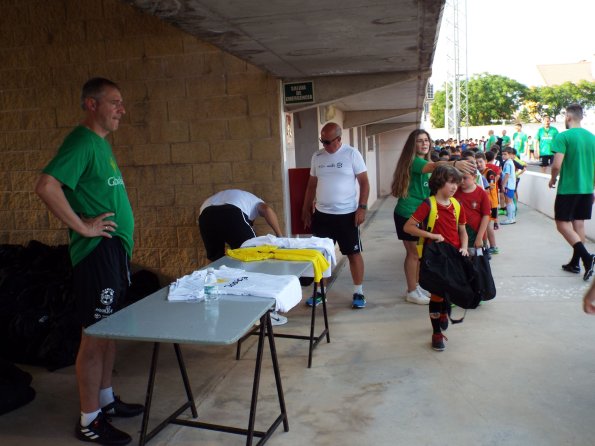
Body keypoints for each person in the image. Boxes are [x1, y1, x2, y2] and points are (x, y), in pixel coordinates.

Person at [35, 78, 142, 445]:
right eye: (114, 102)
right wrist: (83, 226)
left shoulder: (100, 145)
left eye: (122, 102)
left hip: (112, 253)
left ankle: (106, 400)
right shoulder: (81, 141)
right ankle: (89, 420)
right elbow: (47, 186)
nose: (121, 109)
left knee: (108, 331)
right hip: (96, 255)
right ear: (91, 104)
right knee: (94, 337)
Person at [390, 129, 474, 305]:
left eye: (426, 140)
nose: (424, 143)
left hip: (421, 213)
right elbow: (433, 167)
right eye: (420, 141)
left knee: (419, 254)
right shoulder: (414, 162)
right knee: (413, 254)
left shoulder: (425, 161)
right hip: (407, 213)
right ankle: (411, 291)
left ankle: (417, 286)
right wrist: (454, 163)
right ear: (412, 145)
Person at [301, 122, 370, 309]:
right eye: (322, 141)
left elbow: (364, 182)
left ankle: (359, 292)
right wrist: (306, 208)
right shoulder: (317, 156)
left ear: (339, 139)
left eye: (328, 141)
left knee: (353, 253)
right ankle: (320, 293)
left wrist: (362, 207)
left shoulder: (352, 154)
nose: (324, 145)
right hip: (322, 216)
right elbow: (311, 185)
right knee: (321, 255)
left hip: (347, 215)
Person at [404, 165, 468, 351]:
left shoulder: (457, 205)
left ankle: (442, 314)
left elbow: (462, 231)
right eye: (451, 182)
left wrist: (464, 247)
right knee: (437, 294)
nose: (455, 187)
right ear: (439, 182)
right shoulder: (428, 205)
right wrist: (432, 236)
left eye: (457, 183)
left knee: (449, 291)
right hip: (435, 257)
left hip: (454, 256)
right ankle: (436, 333)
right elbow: (408, 227)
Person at [548, 104, 595, 281]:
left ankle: (586, 257)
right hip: (586, 189)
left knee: (562, 224)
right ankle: (575, 263)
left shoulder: (563, 136)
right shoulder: (592, 138)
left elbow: (557, 164)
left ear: (568, 117)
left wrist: (553, 179)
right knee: (579, 224)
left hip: (568, 188)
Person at [198, 189, 283, 261]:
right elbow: (267, 209)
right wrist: (280, 236)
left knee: (215, 259)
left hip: (205, 216)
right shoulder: (256, 202)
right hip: (231, 212)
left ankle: (214, 278)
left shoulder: (239, 197)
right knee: (251, 252)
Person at [454, 165, 491, 255]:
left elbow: (486, 216)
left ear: (474, 177)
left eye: (465, 178)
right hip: (459, 234)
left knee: (477, 263)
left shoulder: (482, 193)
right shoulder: (454, 192)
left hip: (476, 233)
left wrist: (479, 237)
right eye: (459, 178)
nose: (461, 181)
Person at [476, 152, 500, 253]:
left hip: (491, 203)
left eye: (480, 162)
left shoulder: (489, 172)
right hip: (486, 202)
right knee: (485, 226)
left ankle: (493, 247)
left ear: (485, 161)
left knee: (486, 226)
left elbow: (492, 186)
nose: (478, 164)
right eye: (476, 162)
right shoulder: (480, 173)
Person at [499, 148, 517, 225]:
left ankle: (510, 219)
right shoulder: (510, 162)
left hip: (508, 185)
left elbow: (507, 175)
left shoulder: (508, 163)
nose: (503, 156)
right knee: (511, 202)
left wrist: (503, 184)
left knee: (508, 202)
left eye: (505, 154)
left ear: (510, 155)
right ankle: (512, 217)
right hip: (511, 185)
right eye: (502, 154)